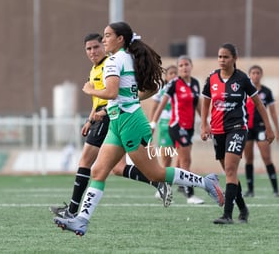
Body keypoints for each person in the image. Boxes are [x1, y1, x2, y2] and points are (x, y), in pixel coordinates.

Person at [54, 21, 224, 236]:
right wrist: (111, 108)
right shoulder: (124, 58)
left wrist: (90, 90)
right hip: (118, 121)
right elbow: (135, 92)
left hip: (131, 123)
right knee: (98, 170)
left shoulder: (115, 60)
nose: (103, 40)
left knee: (156, 172)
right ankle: (81, 221)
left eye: (107, 36)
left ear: (120, 39)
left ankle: (205, 181)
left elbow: (112, 92)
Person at [49, 33, 172, 219]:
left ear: (104, 46)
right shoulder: (95, 69)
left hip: (111, 117)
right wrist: (90, 119)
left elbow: (119, 93)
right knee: (118, 168)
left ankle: (73, 211)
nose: (92, 52)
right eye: (88, 49)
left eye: (96, 47)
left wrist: (105, 111)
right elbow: (97, 99)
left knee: (85, 162)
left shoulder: (112, 63)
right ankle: (157, 182)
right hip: (102, 117)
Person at [200, 43, 275, 224]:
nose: (222, 60)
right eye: (219, 57)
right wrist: (204, 125)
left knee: (231, 170)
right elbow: (205, 102)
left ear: (234, 59)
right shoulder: (211, 79)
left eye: (225, 57)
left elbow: (258, 104)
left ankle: (227, 215)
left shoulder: (242, 79)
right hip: (217, 130)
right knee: (228, 172)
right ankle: (243, 209)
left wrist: (269, 127)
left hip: (237, 128)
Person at [150, 56, 206, 204]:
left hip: (189, 127)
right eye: (180, 65)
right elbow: (161, 104)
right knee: (185, 159)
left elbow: (198, 105)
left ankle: (171, 185)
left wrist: (205, 123)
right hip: (176, 126)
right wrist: (153, 123)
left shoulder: (194, 83)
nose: (184, 68)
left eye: (186, 64)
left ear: (191, 66)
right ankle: (189, 195)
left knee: (182, 160)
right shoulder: (174, 83)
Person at [244, 65, 279, 197]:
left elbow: (273, 113)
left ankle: (276, 189)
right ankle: (250, 190)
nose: (255, 75)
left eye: (257, 73)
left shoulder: (266, 92)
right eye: (253, 73)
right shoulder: (244, 91)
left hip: (261, 128)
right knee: (249, 159)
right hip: (247, 129)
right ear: (249, 75)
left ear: (261, 75)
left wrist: (277, 131)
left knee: (266, 158)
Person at [149, 65, 178, 200]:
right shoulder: (161, 91)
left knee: (183, 158)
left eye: (175, 73)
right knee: (166, 157)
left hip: (180, 126)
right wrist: (152, 124)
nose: (173, 76)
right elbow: (154, 109)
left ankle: (182, 184)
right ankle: (163, 186)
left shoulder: (182, 89)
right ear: (166, 77)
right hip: (164, 126)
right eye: (171, 73)